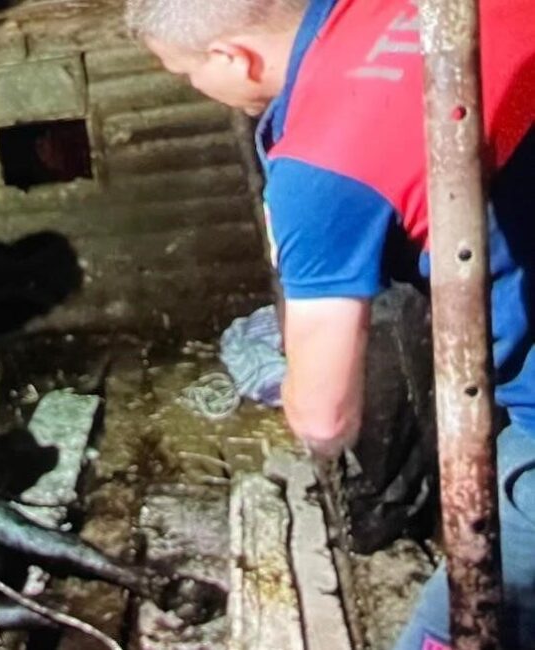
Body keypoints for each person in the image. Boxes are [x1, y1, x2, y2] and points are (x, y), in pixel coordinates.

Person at [124, 0, 535, 648]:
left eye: (186, 75)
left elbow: (323, 420)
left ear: (233, 57)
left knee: (453, 628)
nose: (196, 90)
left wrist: (291, 384)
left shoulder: (319, 163)